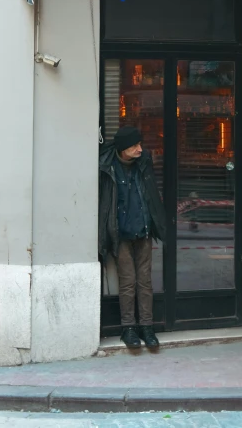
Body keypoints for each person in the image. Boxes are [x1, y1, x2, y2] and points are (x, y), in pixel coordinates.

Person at [99, 125, 166, 349]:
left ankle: (147, 327)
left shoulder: (144, 162)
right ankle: (128, 328)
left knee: (145, 281)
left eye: (140, 144)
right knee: (127, 282)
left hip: (143, 230)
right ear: (123, 148)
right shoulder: (108, 166)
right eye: (135, 145)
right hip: (121, 234)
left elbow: (151, 194)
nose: (140, 149)